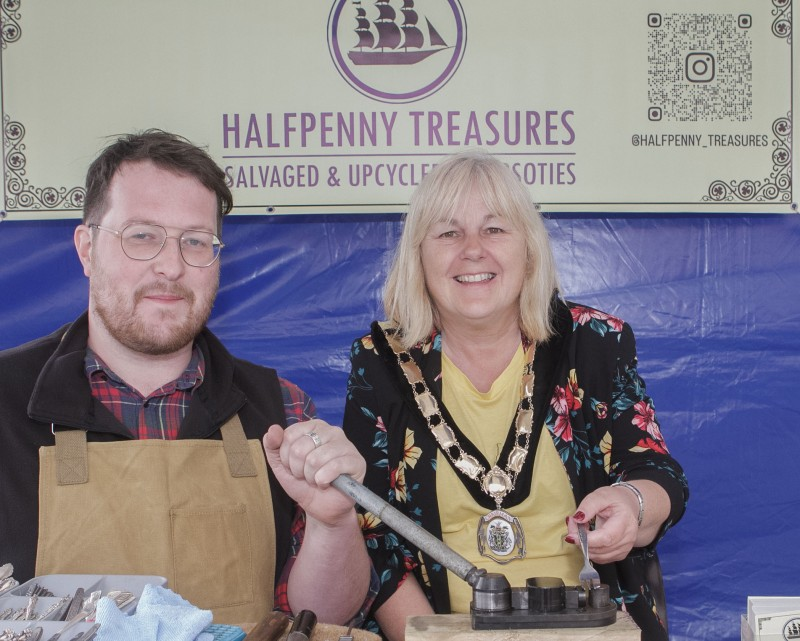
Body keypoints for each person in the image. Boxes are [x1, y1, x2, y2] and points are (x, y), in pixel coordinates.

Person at [0, 129, 371, 626]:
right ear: (87, 248)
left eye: (195, 241)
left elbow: (322, 617)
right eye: (142, 236)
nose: (171, 266)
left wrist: (333, 521)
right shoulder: (5, 402)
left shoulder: (281, 410)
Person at [343, 150, 689, 641]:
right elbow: (370, 536)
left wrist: (631, 506)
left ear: (529, 247)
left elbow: (659, 476)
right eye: (447, 232)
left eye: (495, 229)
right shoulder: (378, 360)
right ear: (418, 254)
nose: (472, 250)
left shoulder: (593, 343)